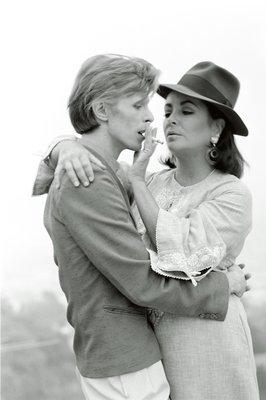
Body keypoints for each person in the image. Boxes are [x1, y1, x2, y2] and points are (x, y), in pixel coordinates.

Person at [33, 55, 250, 400]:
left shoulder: (229, 192)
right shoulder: (134, 181)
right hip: (142, 348)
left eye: (186, 111)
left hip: (205, 338)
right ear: (104, 111)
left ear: (216, 128)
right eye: (164, 111)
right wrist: (64, 146)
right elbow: (142, 279)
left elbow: (183, 253)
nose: (161, 120)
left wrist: (74, 149)